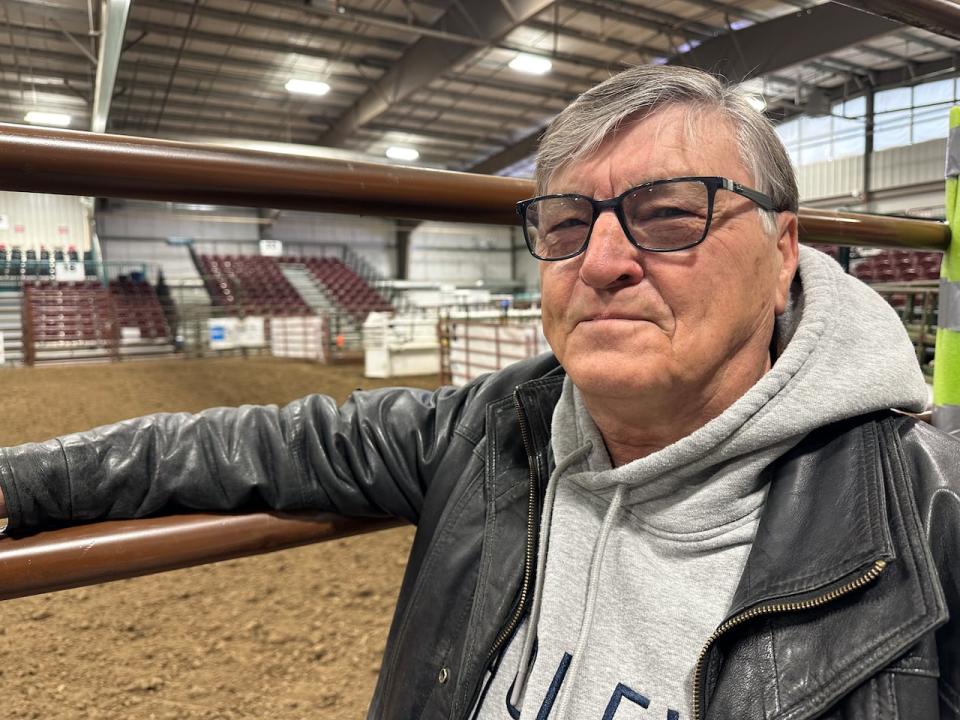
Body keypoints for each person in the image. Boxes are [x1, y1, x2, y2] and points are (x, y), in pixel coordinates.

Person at [0, 65, 958, 720]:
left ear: (783, 249)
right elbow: (245, 445)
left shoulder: (927, 525)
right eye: (568, 222)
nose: (605, 261)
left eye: (669, 215)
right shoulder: (495, 434)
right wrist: (21, 482)